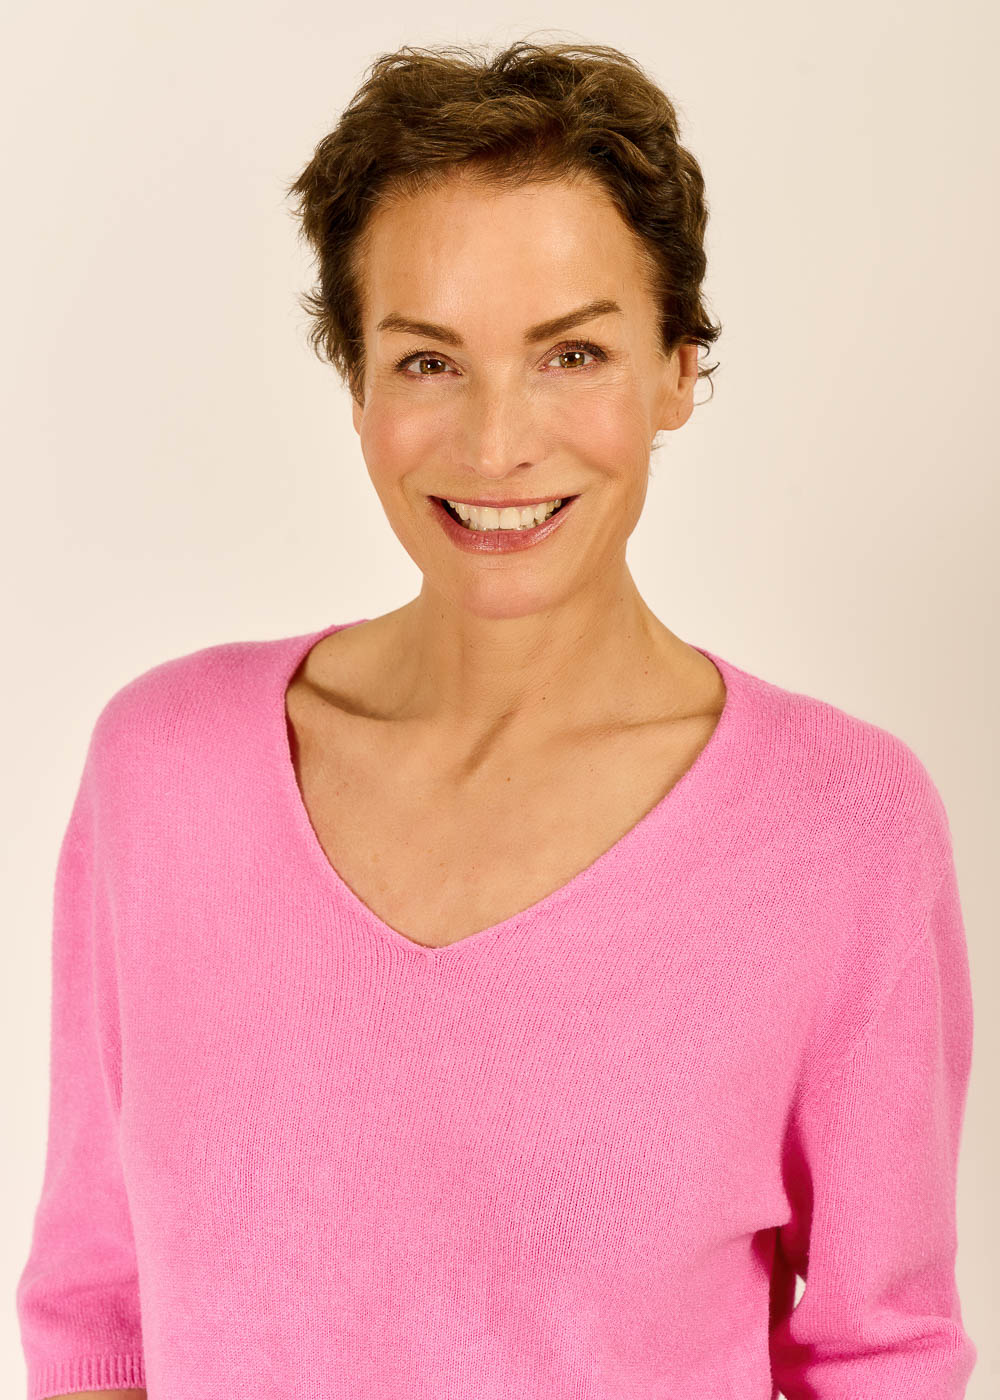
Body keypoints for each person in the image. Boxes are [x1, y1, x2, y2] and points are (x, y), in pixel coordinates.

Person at [17, 38, 976, 1400]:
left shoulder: (842, 830)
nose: (495, 444)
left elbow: (883, 1355)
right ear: (354, 380)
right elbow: (96, 1309)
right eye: (428, 362)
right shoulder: (162, 773)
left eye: (572, 352)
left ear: (677, 370)